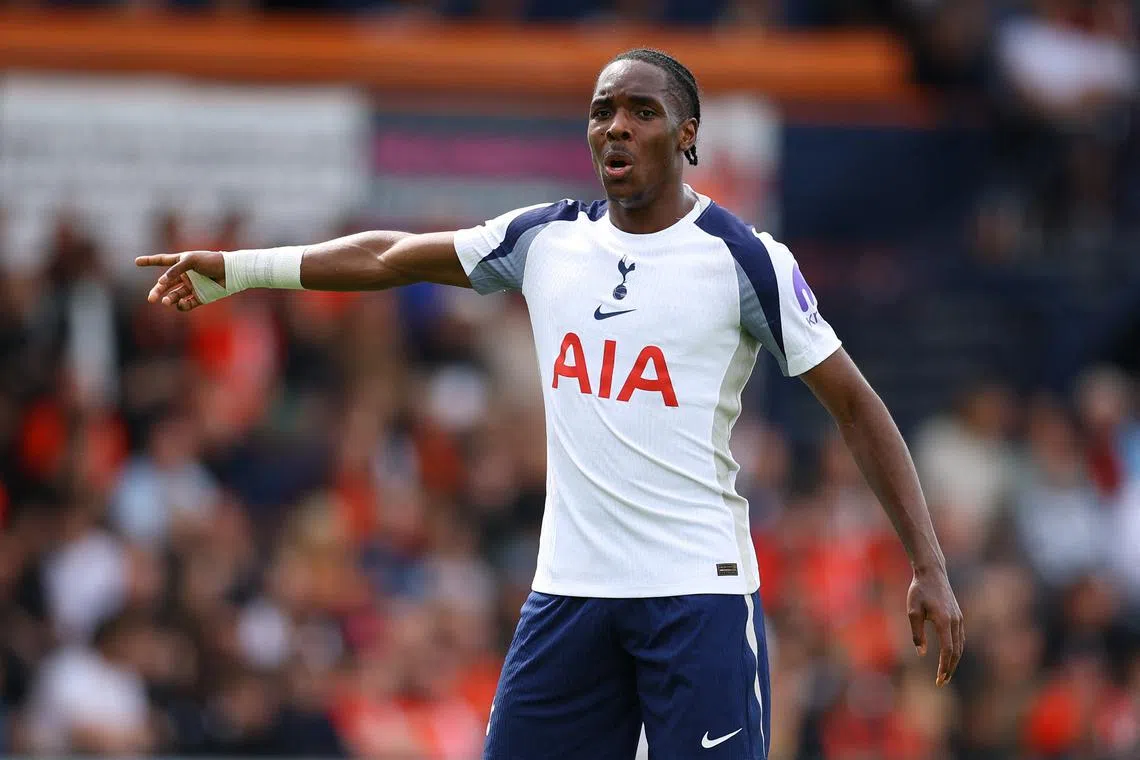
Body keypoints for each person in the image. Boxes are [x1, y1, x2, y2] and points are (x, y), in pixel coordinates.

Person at [137, 48, 964, 760]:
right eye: (604, 110)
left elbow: (856, 406)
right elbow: (390, 254)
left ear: (687, 136)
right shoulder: (545, 239)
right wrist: (241, 269)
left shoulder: (744, 260)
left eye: (643, 111)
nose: (617, 127)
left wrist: (926, 561)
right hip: (568, 595)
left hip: (697, 597)